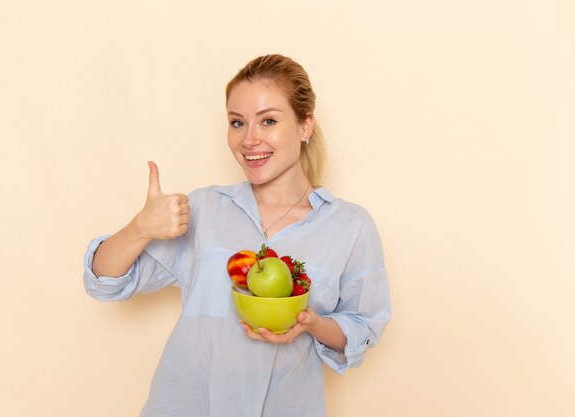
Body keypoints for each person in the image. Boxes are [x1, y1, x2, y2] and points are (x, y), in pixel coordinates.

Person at [83, 54, 391, 417]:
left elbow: (361, 326)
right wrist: (140, 228)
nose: (249, 140)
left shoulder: (349, 227)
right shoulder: (203, 209)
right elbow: (104, 281)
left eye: (269, 121)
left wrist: (312, 323)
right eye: (237, 122)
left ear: (305, 126)